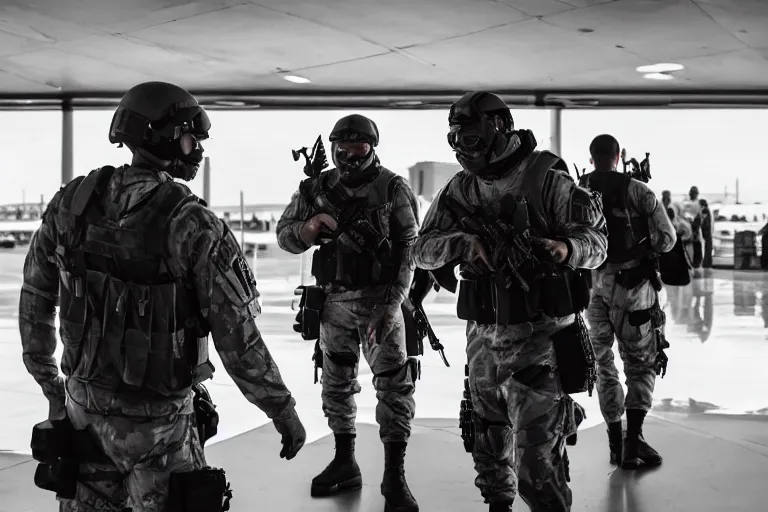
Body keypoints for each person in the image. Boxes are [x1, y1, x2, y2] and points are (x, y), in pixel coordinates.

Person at [19, 81, 306, 511]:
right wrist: (282, 411)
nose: (199, 148)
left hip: (83, 416)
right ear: (164, 137)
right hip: (160, 430)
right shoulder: (193, 223)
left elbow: (34, 303)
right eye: (192, 137)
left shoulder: (71, 204)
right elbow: (238, 339)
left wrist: (53, 390)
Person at [409, 91, 607, 512]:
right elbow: (421, 250)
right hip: (483, 342)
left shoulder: (547, 178)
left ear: (499, 129)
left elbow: (597, 243)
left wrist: (563, 249)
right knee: (488, 448)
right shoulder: (461, 188)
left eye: (474, 140)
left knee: (536, 471)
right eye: (458, 141)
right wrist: (462, 244)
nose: (466, 150)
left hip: (542, 343)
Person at [276, 114, 420, 511]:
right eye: (343, 153)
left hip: (381, 303)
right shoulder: (317, 188)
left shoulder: (392, 188)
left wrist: (391, 306)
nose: (350, 161)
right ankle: (345, 461)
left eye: (359, 153)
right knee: (336, 384)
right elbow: (285, 234)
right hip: (334, 303)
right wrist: (309, 229)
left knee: (393, 386)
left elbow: (411, 248)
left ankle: (395, 476)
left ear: (372, 149)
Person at [579, 134, 677, 470]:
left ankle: (615, 444)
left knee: (604, 365)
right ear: (618, 156)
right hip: (632, 289)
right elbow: (666, 240)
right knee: (640, 363)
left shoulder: (576, 190)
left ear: (591, 158)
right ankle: (632, 445)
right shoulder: (637, 190)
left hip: (592, 290)